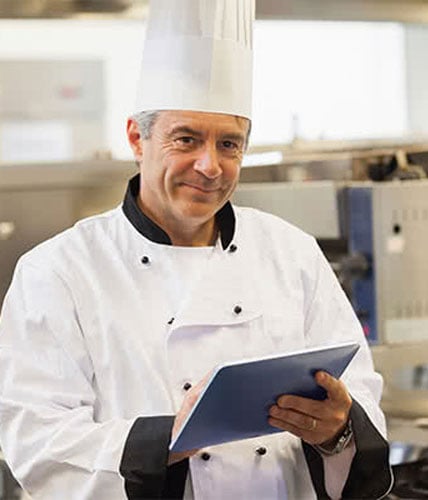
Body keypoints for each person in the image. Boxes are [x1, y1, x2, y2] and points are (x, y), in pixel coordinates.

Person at [0, 1, 393, 499]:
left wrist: (338, 429)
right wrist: (165, 440)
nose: (210, 165)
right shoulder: (57, 272)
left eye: (229, 144)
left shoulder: (292, 254)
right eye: (186, 139)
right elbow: (36, 440)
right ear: (137, 139)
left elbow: (360, 392)